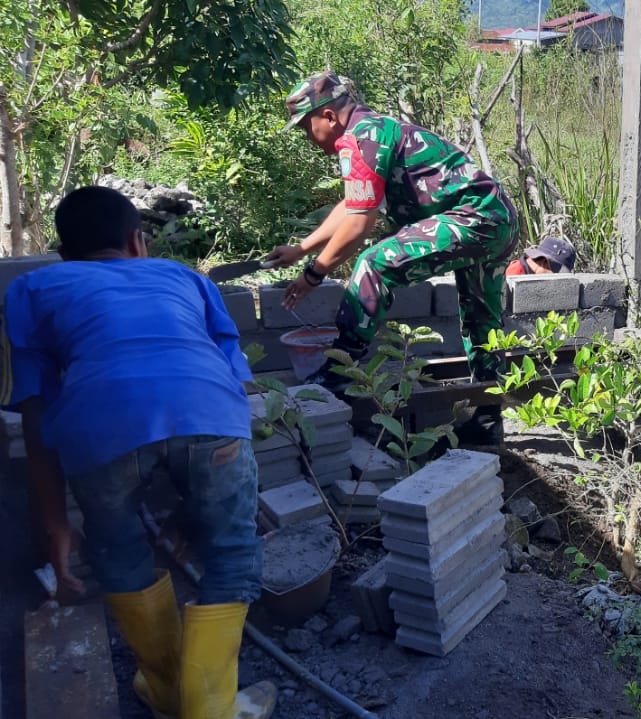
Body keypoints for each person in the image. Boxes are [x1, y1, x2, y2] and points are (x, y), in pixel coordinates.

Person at [1, 186, 274, 718]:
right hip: (211, 413)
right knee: (231, 550)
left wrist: (55, 523)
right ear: (137, 241)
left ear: (64, 254)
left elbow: (35, 410)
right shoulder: (187, 278)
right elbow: (228, 383)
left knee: (119, 549)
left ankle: (167, 688)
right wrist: (193, 510)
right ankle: (210, 706)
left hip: (94, 431)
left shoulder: (33, 287)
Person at [267, 71, 518, 444]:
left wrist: (314, 273)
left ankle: (338, 371)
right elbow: (355, 203)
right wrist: (303, 248)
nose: (308, 137)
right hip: (497, 217)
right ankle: (487, 420)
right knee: (482, 317)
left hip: (474, 217)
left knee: (373, 263)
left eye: (307, 126)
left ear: (329, 117)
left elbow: (358, 225)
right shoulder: (374, 131)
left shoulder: (360, 138)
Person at [506, 235, 577, 276]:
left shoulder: (527, 275)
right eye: (556, 273)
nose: (558, 281)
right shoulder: (514, 276)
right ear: (544, 262)